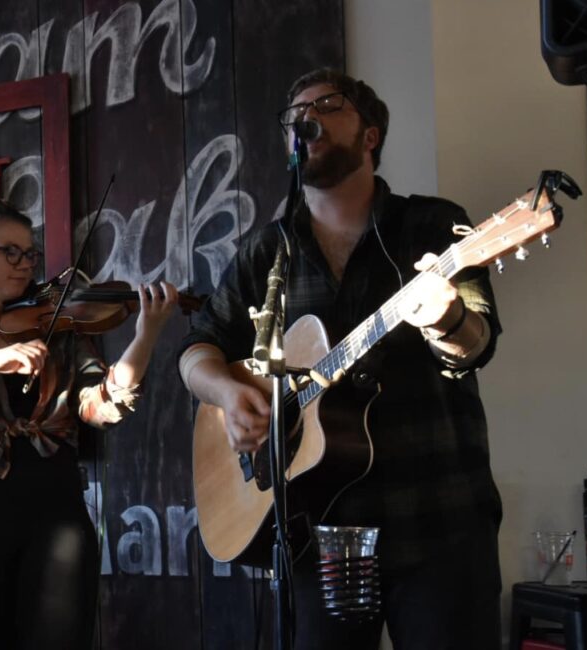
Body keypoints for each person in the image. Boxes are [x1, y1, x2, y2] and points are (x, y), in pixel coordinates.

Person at [177, 68, 503, 648]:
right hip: (316, 533)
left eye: (328, 105)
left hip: (438, 520)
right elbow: (197, 349)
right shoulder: (266, 252)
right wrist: (227, 393)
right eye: (297, 113)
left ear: (370, 135)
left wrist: (446, 317)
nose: (309, 118)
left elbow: (476, 347)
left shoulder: (431, 224)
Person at [0, 200, 179, 650]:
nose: (25, 265)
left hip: (53, 501)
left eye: (30, 254)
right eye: (11, 252)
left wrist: (145, 337)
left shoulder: (58, 330)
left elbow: (100, 408)